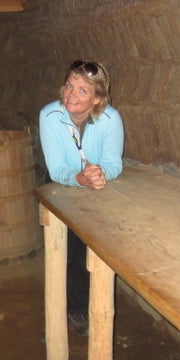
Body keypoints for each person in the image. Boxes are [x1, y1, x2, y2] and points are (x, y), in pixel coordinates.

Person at [39, 60, 124, 336]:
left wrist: (99, 174)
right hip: (62, 187)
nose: (71, 95)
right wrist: (79, 178)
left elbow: (114, 164)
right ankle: (63, 315)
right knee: (65, 253)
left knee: (94, 251)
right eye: (69, 86)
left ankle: (87, 311)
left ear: (97, 99)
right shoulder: (50, 116)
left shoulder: (110, 119)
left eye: (82, 91)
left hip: (95, 189)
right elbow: (57, 168)